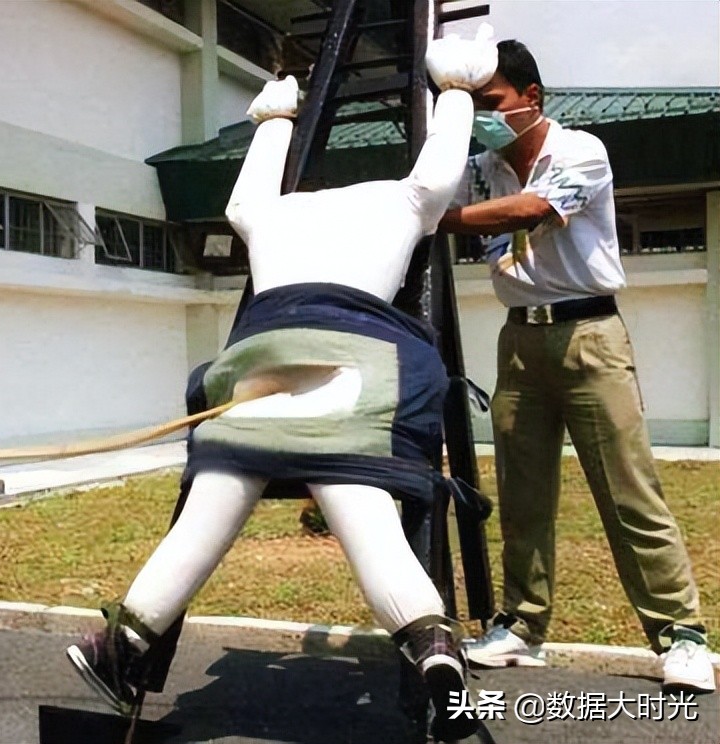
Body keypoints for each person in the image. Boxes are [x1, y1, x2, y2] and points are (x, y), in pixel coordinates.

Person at [63, 27, 499, 742]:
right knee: (367, 515)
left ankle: (126, 641)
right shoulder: (400, 201)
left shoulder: (273, 213)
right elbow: (438, 174)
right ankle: (432, 646)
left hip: (260, 367)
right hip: (355, 365)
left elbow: (241, 206)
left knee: (210, 506)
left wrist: (275, 120)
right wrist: (454, 90)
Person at [438, 40, 714, 694]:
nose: (484, 117)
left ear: (531, 98)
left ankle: (682, 636)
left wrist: (440, 219)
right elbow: (422, 191)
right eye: (474, 106)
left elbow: (535, 210)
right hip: (519, 341)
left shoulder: (580, 150)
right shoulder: (480, 169)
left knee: (628, 492)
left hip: (589, 336)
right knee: (523, 496)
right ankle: (521, 628)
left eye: (492, 102)